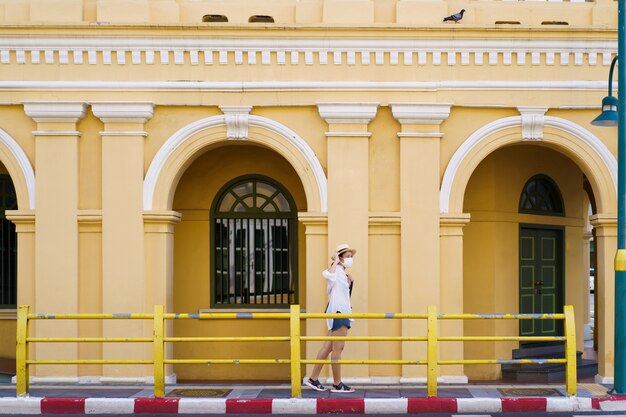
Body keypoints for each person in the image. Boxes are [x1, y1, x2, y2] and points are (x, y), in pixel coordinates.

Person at [304, 243, 356, 393]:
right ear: (340, 258)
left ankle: (313, 379)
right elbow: (326, 274)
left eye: (351, 256)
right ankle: (337, 384)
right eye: (347, 256)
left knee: (328, 347)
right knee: (338, 349)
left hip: (341, 311)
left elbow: (334, 289)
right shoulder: (336, 271)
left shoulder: (342, 273)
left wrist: (348, 280)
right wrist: (335, 261)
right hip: (339, 312)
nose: (350, 259)